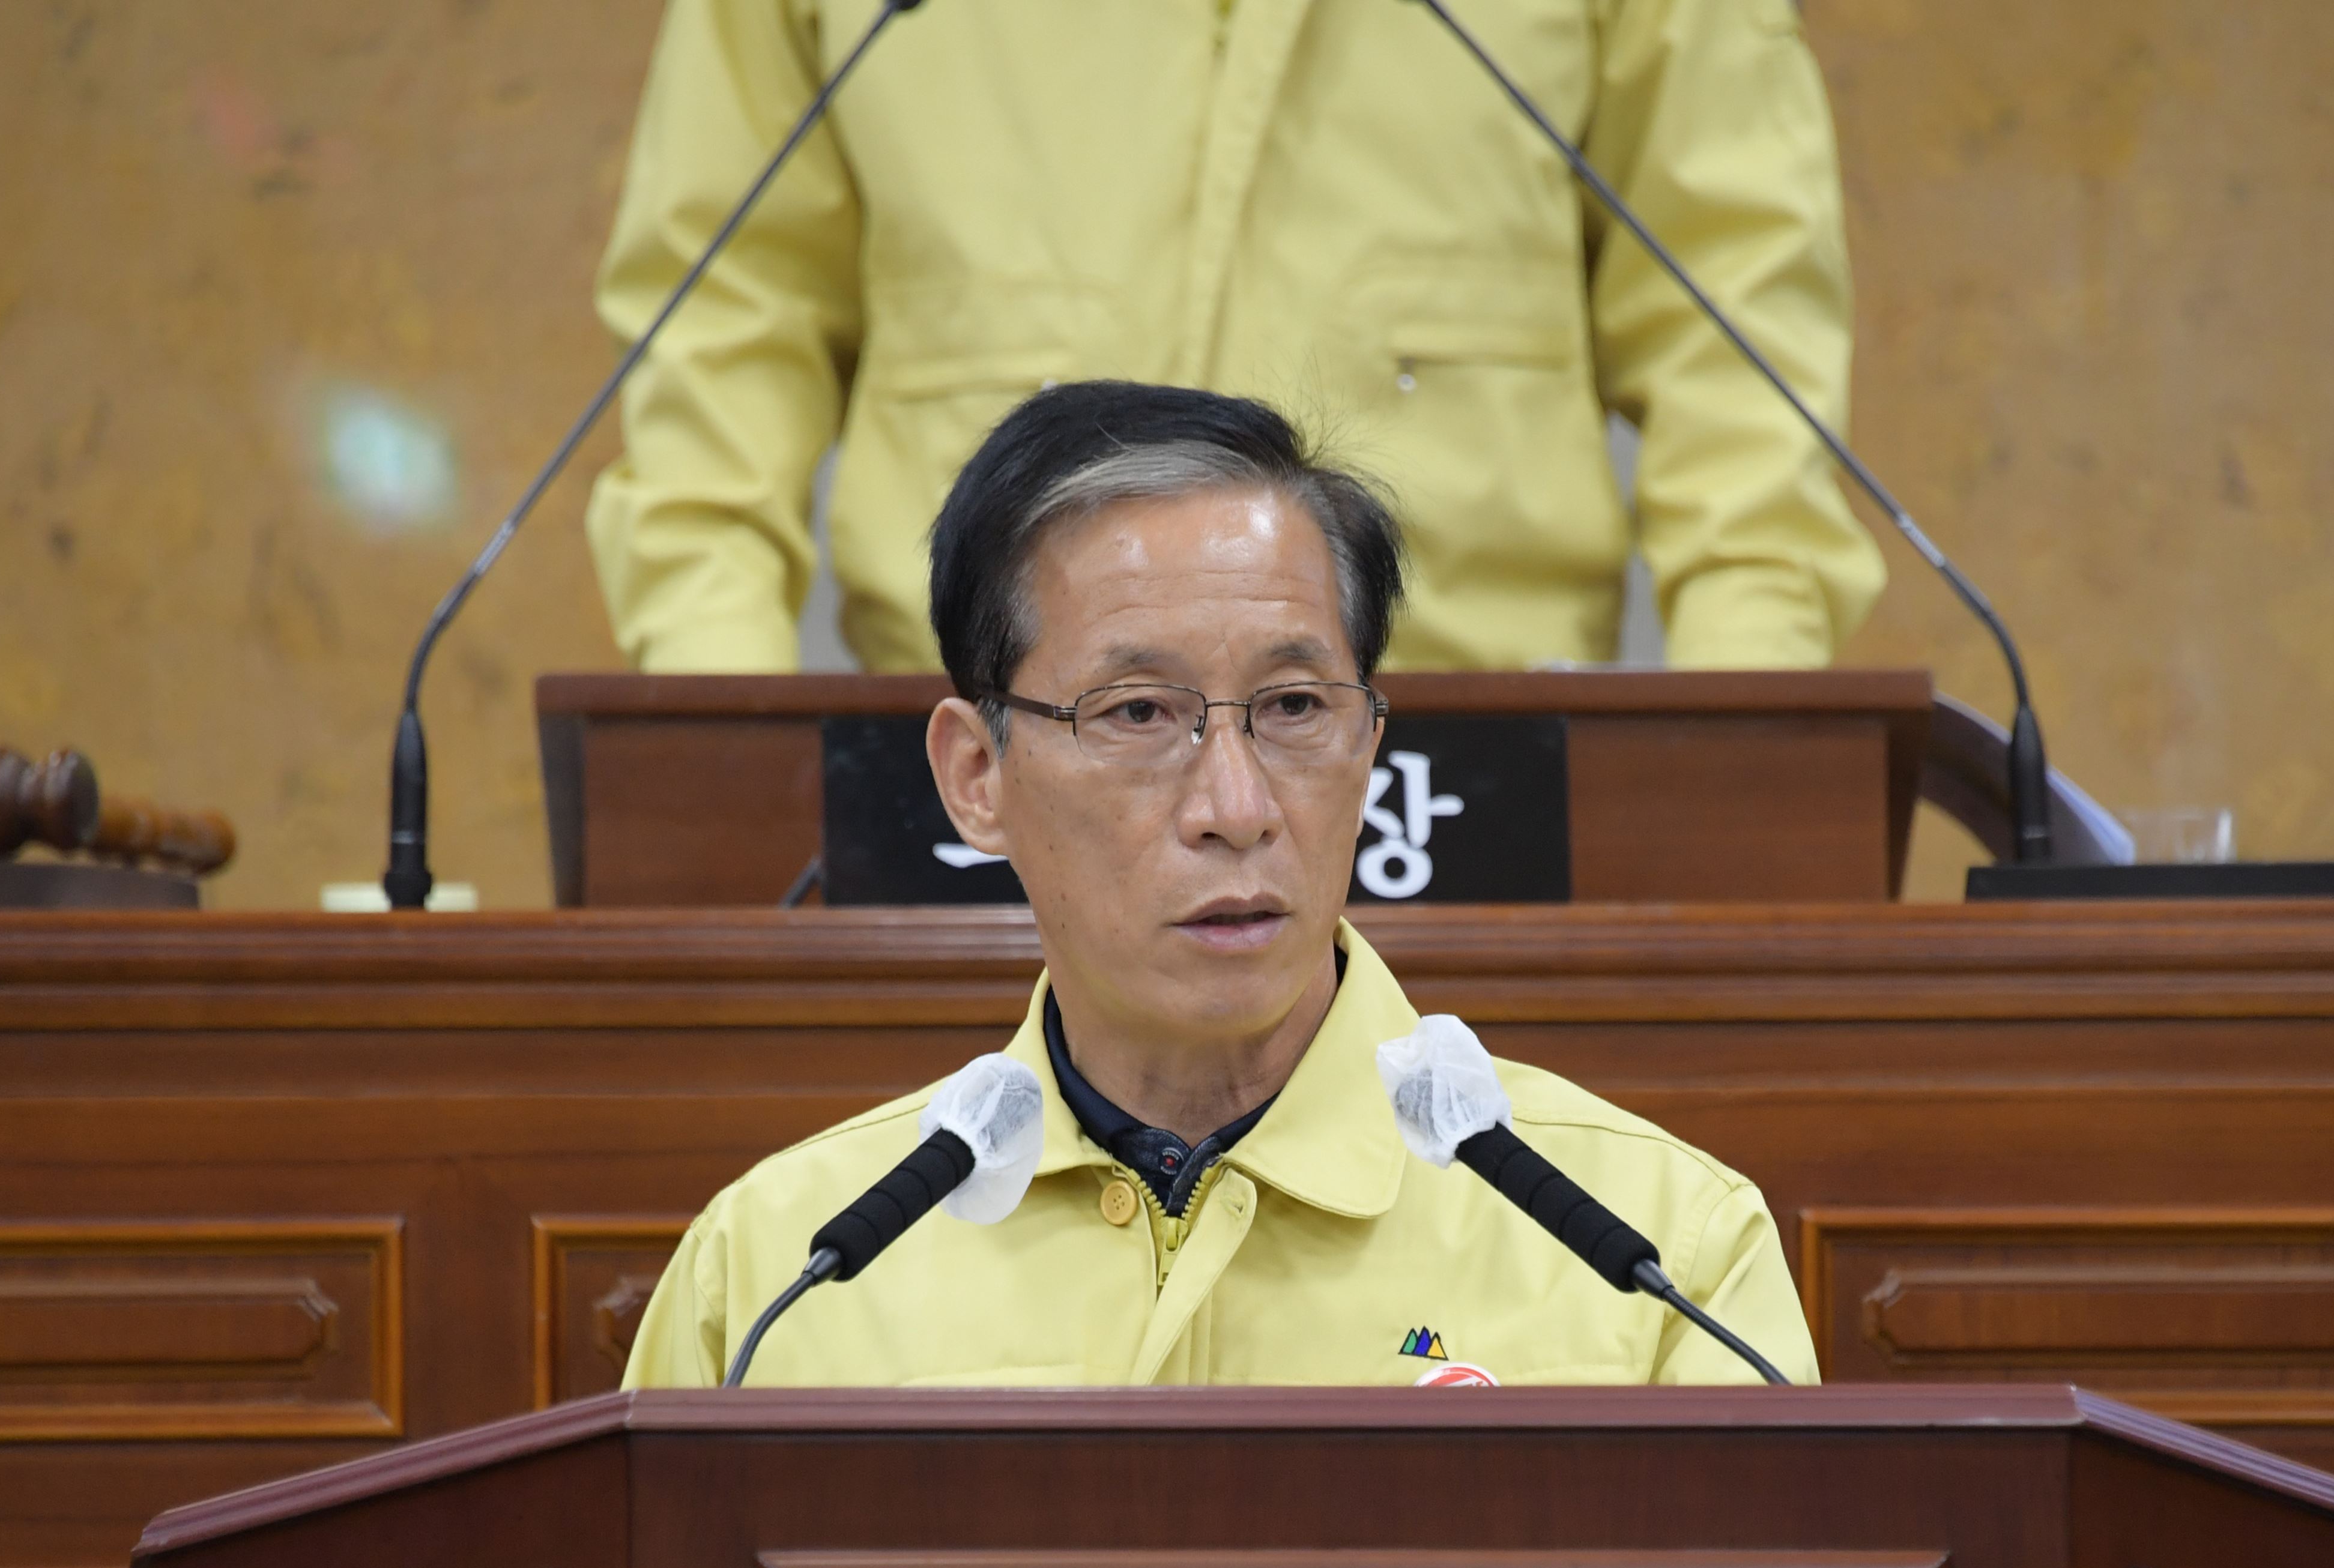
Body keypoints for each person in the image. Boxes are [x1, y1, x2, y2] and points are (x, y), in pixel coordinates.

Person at [622, 383, 1817, 1389]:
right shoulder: (782, 1276)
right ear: (977, 774)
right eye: (1139, 713)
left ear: (1371, 741)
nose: (1237, 809)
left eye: (1296, 708)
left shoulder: (1663, 1255)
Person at [584, 0, 1885, 675]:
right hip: (984, 791)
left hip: (1459, 778)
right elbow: (723, 325)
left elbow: (1737, 329)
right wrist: (727, 729)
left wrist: (1746, 732)